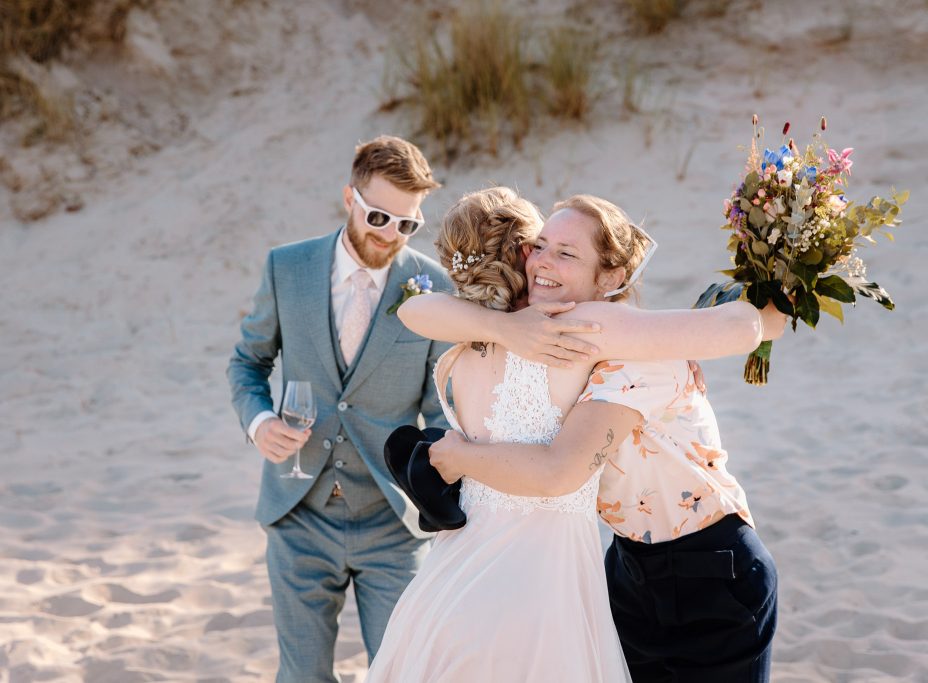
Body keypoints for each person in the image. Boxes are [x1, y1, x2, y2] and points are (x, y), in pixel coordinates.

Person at [405, 195, 783, 682]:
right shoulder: (549, 336)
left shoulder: (626, 342)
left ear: (610, 276)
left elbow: (559, 471)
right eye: (538, 246)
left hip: (713, 566)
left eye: (566, 253)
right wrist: (504, 327)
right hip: (627, 567)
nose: (541, 261)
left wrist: (458, 456)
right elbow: (418, 310)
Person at [366, 187, 633, 682]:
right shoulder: (565, 330)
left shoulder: (461, 347)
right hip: (539, 589)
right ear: (522, 253)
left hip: (452, 580)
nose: (544, 258)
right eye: (539, 245)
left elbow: (414, 311)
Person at [226, 135, 455, 682]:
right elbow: (247, 363)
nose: (390, 234)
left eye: (407, 224)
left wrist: (432, 482)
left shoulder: (434, 288)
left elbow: (444, 411)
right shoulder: (287, 268)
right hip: (297, 513)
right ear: (349, 197)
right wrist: (259, 423)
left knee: (401, 672)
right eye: (379, 216)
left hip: (392, 525)